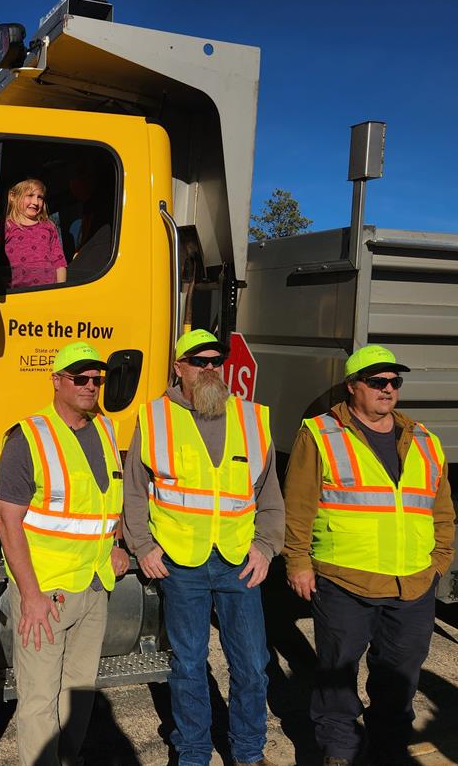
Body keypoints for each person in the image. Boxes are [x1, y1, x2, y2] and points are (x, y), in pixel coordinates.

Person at [283, 345, 454, 766]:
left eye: (395, 381)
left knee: (399, 682)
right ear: (353, 387)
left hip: (413, 583)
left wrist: (439, 562)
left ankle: (388, 753)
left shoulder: (425, 439)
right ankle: (338, 754)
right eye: (377, 382)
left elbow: (442, 508)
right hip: (346, 581)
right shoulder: (320, 433)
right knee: (337, 680)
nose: (388, 389)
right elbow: (299, 505)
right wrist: (298, 563)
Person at [122, 328, 283, 766]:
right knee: (188, 665)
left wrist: (266, 547)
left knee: (251, 666)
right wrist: (143, 546)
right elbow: (135, 491)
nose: (209, 368)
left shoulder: (252, 418)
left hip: (239, 562)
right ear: (179, 368)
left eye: (216, 360)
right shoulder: (154, 417)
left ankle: (248, 752)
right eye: (198, 361)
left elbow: (269, 495)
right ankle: (193, 752)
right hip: (180, 562)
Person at [0, 340, 128, 766]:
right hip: (46, 593)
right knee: (39, 699)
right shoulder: (27, 437)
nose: (90, 385)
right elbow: (7, 522)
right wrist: (30, 597)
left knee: (78, 695)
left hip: (93, 587)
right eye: (80, 377)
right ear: (56, 381)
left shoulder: (106, 430)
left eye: (97, 378)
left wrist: (118, 544)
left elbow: (109, 499)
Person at [0, 178, 68, 289]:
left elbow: (59, 261)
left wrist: (60, 288)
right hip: (16, 294)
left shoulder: (48, 226)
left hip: (48, 291)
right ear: (13, 196)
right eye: (30, 195)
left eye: (40, 197)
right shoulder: (5, 226)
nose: (35, 202)